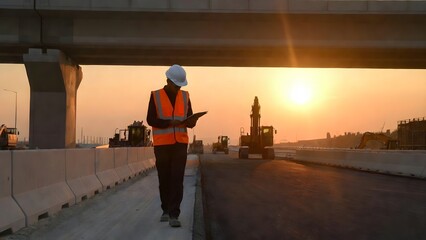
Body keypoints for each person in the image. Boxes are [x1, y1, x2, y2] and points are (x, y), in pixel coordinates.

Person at [146, 64, 198, 228]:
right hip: (162, 145)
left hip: (180, 144)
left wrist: (191, 121)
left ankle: (174, 213)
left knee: (177, 178)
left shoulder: (185, 96)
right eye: (176, 86)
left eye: (180, 86)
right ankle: (165, 210)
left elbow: (189, 118)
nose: (178, 89)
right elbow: (151, 120)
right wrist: (169, 123)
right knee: (164, 178)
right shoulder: (155, 96)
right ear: (168, 81)